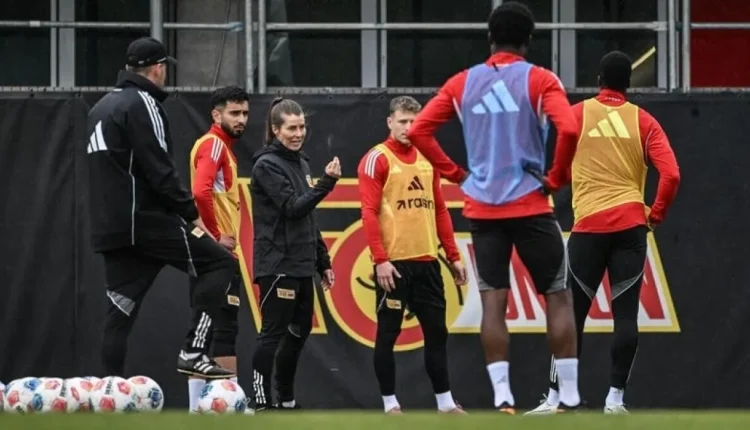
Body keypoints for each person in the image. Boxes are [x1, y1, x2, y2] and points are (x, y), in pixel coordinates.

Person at [405, 1, 582, 413]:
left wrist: (457, 175)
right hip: (531, 205)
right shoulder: (541, 79)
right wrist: (557, 177)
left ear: (490, 38)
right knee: (557, 296)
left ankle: (502, 394)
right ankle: (571, 394)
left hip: (483, 209)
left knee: (492, 301)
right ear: (529, 40)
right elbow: (570, 128)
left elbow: (418, 130)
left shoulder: (462, 82)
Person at [525, 51, 681, 415]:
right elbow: (672, 175)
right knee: (625, 316)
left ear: (598, 80)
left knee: (571, 317)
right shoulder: (644, 121)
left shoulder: (577, 114)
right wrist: (655, 215)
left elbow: (558, 164)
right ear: (629, 83)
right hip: (631, 227)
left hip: (589, 228)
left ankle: (558, 398)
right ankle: (615, 399)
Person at [84, 36, 236, 380]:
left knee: (119, 311)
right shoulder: (143, 103)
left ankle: (110, 388)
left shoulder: (99, 108)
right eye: (164, 67)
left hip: (112, 228)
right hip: (147, 221)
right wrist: (192, 215)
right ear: (157, 68)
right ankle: (194, 351)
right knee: (220, 262)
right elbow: (160, 170)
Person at [357, 96, 469, 415]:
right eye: (402, 121)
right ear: (390, 122)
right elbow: (368, 211)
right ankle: (390, 404)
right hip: (394, 266)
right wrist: (380, 260)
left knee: (437, 333)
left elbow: (440, 209)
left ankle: (445, 404)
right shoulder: (376, 159)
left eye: (413, 122)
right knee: (388, 334)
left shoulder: (427, 157)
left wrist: (453, 255)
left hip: (427, 263)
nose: (408, 127)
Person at [249, 98, 341, 411]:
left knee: (299, 335)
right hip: (277, 265)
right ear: (276, 130)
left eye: (301, 127)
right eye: (291, 128)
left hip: (302, 266)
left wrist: (323, 261)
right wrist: (326, 184)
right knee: (271, 336)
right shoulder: (266, 165)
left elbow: (308, 218)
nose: (298, 133)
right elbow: (292, 208)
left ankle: (286, 401)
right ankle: (261, 402)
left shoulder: (301, 163)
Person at [185, 86, 251, 412]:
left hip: (208, 252)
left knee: (207, 327)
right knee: (224, 327)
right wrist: (214, 235)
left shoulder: (219, 147)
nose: (241, 119)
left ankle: (195, 409)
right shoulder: (213, 145)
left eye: (245, 113)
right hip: (216, 254)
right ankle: (230, 403)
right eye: (234, 113)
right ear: (216, 114)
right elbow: (200, 192)